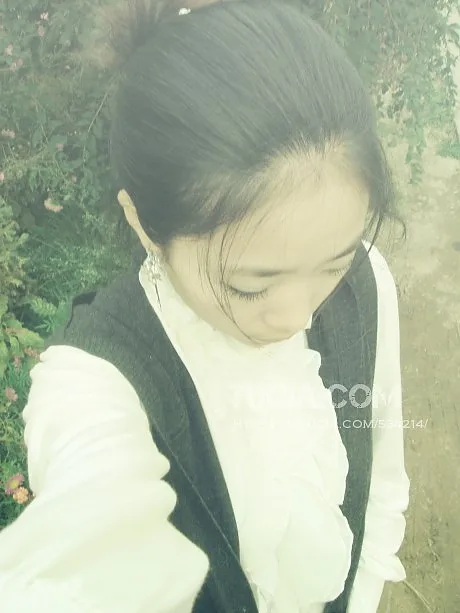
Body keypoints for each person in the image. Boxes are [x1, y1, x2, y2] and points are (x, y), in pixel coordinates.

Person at [0, 1, 410, 612]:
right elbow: (88, 546)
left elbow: (381, 481)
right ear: (144, 223)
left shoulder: (368, 281)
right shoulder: (101, 379)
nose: (299, 317)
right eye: (250, 285)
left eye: (334, 262)